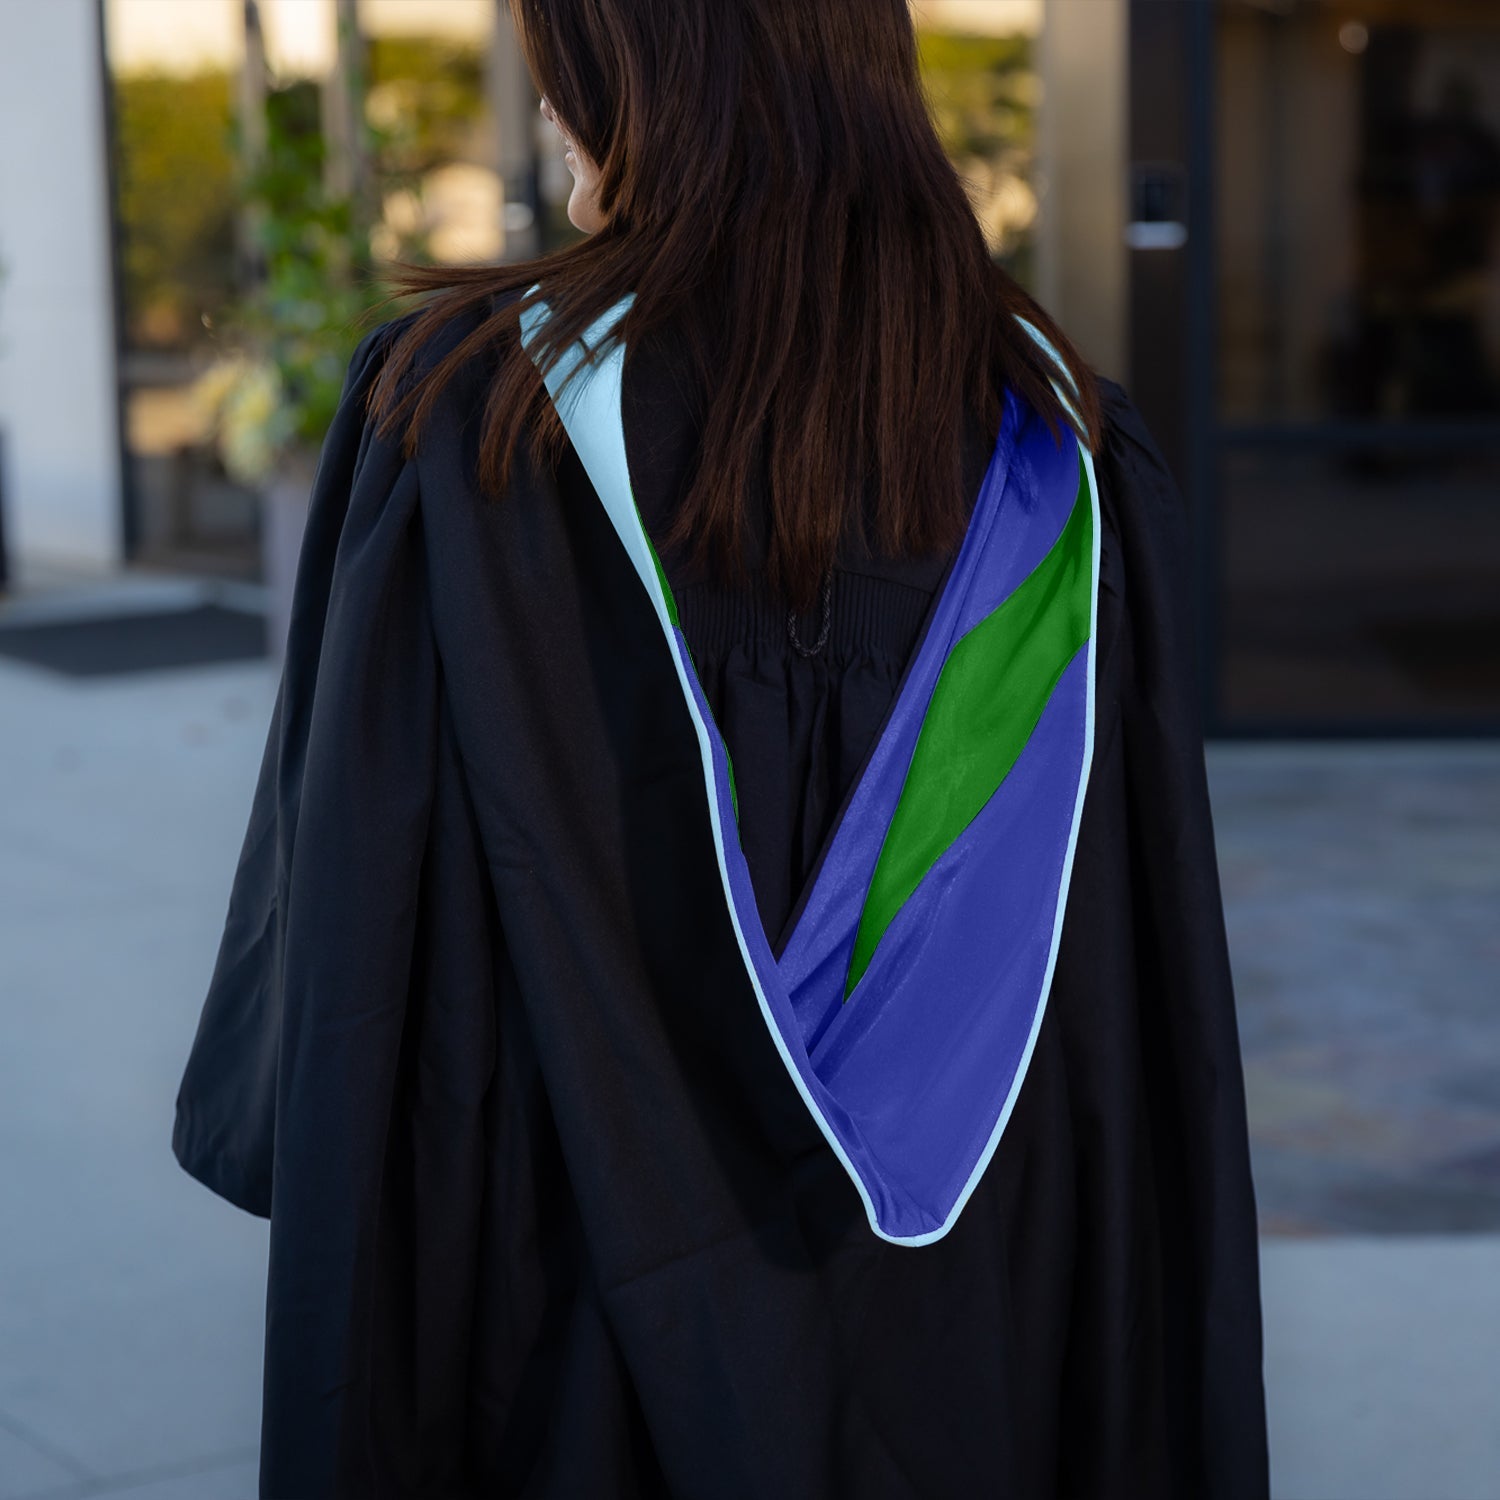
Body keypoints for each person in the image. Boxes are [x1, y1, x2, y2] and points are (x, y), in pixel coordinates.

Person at [171, 1, 1269, 1495]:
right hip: (989, 1322)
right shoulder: (1056, 441)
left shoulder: (469, 425)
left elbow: (357, 945)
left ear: (653, 74)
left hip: (563, 1316)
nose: (546, 105)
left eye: (565, 59)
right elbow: (1139, 1005)